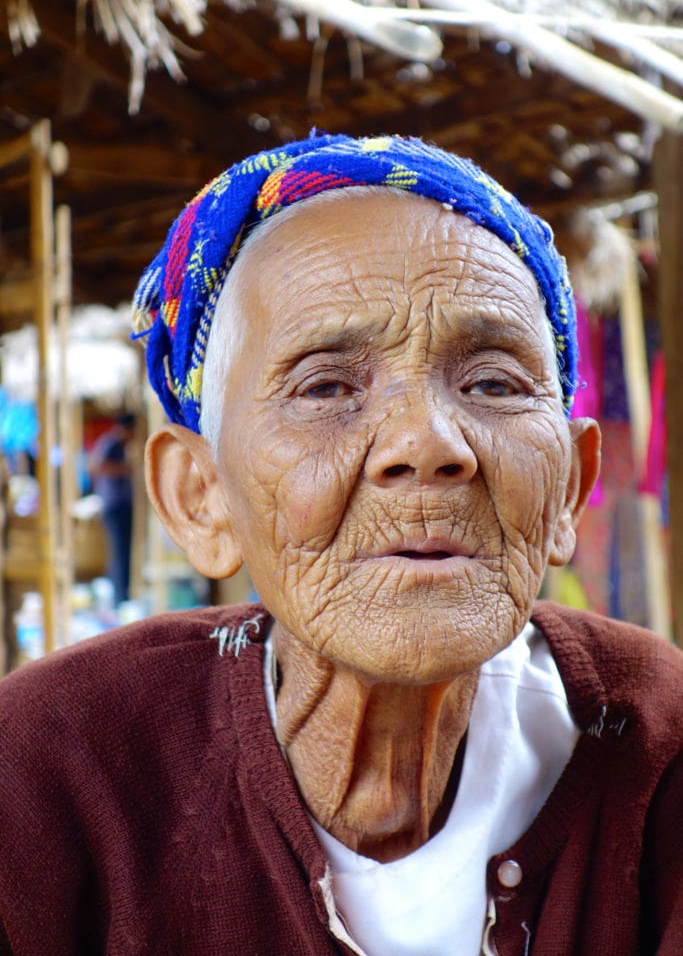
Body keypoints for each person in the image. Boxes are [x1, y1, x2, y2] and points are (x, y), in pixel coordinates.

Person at [0, 134, 680, 955]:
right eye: (325, 387)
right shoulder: (46, 768)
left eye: (493, 383)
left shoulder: (659, 744)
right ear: (200, 495)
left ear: (569, 487)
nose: (428, 444)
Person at [89, 413, 136, 606]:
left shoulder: (117, 445)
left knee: (122, 551)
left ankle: (121, 595)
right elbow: (99, 466)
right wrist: (127, 469)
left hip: (119, 505)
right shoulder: (112, 444)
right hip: (116, 506)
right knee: (120, 552)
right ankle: (119, 598)